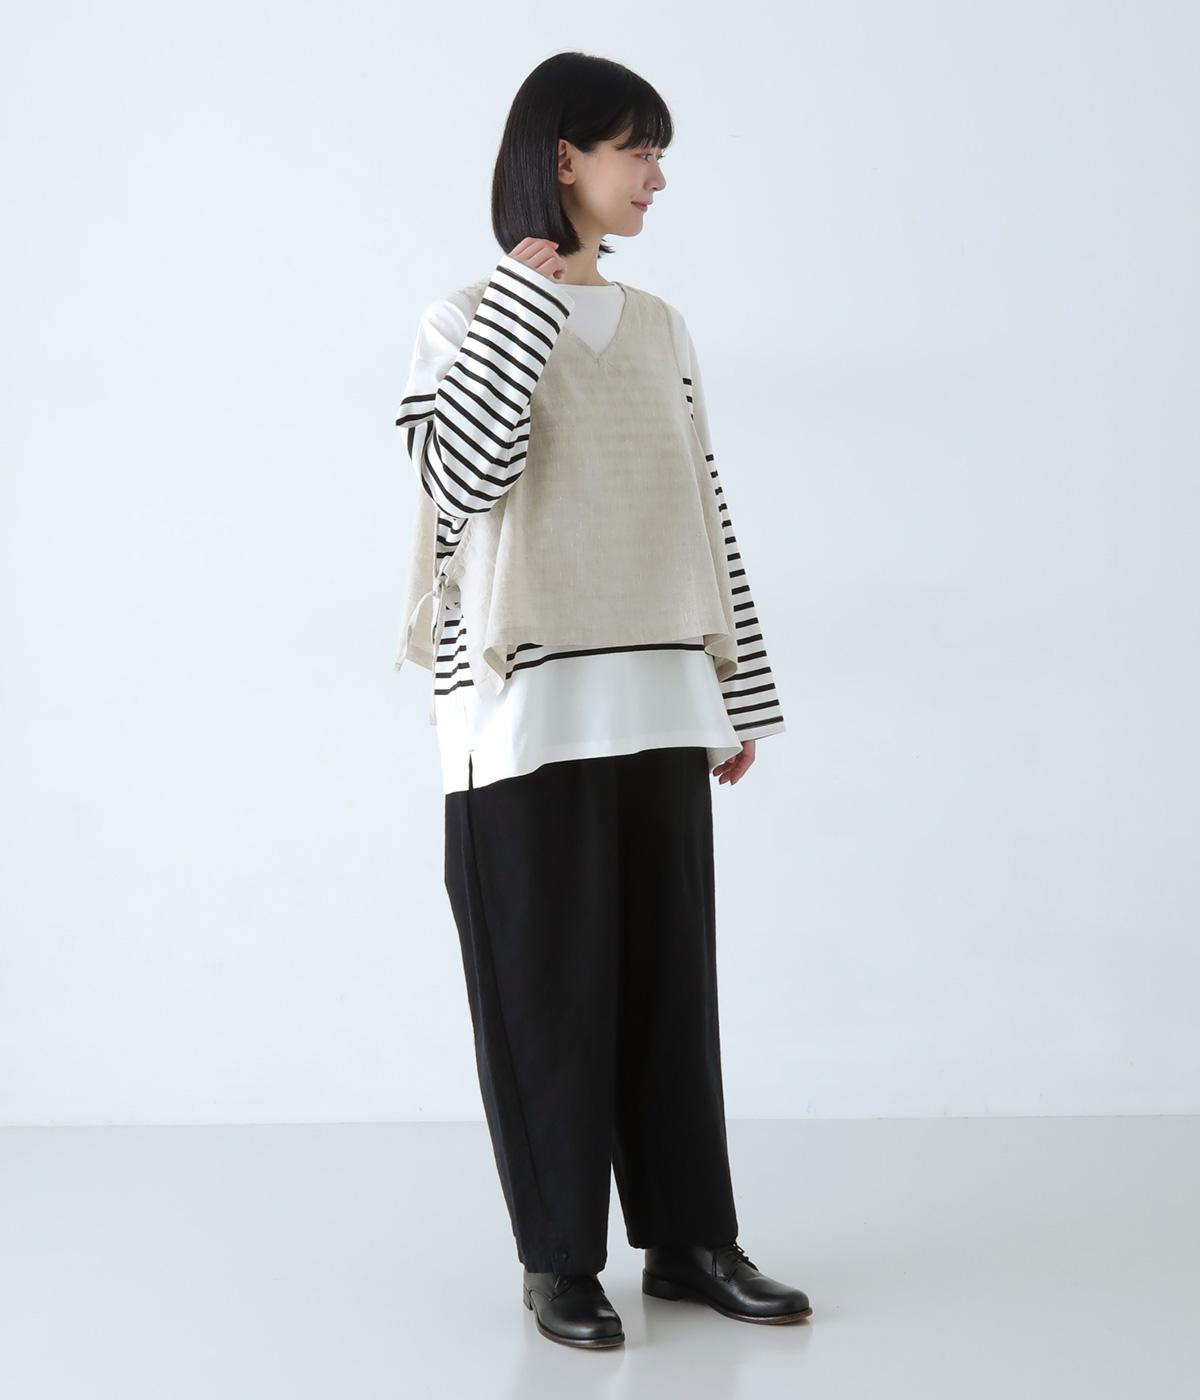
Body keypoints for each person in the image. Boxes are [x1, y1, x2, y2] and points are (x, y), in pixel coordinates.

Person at [393, 51, 812, 1349]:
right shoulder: (464, 317)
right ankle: (560, 1263)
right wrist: (529, 303)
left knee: (671, 999)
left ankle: (691, 1242)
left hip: (659, 696)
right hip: (520, 716)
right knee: (545, 1003)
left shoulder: (664, 328)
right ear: (563, 157)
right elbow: (461, 482)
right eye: (639, 150)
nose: (657, 177)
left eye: (658, 152)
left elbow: (701, 506)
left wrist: (737, 691)